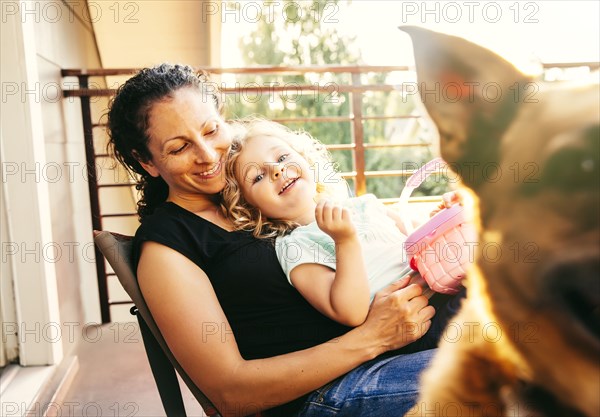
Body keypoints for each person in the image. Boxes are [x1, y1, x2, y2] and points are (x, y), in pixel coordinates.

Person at [107, 63, 441, 417]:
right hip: (328, 393)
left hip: (399, 350)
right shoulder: (168, 247)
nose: (207, 155)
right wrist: (372, 338)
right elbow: (229, 392)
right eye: (179, 148)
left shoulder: (255, 196)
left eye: (211, 130)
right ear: (147, 162)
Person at [222, 119, 460, 351]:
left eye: (282, 157)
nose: (276, 170)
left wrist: (443, 217)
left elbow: (422, 242)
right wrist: (345, 241)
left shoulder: (364, 205)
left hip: (445, 291)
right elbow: (350, 312)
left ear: (304, 158)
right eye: (258, 177)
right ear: (249, 207)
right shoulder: (295, 246)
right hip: (420, 326)